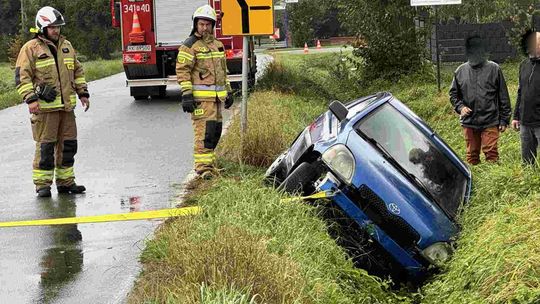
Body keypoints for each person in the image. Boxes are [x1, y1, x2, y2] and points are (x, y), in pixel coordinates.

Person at [15, 6, 90, 197]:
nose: (56, 30)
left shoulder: (67, 46)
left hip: (66, 109)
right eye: (52, 27)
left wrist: (83, 93)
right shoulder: (30, 49)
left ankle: (66, 183)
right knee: (46, 148)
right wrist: (30, 99)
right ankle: (43, 185)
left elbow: (77, 71)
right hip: (45, 110)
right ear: (42, 28)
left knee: (68, 145)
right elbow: (22, 77)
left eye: (58, 27)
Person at [176, 5, 233, 179]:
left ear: (212, 26)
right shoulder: (189, 46)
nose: (204, 28)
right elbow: (182, 71)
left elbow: (223, 72)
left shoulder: (218, 45)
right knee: (204, 134)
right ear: (195, 24)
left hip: (216, 100)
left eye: (208, 25)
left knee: (215, 132)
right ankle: (203, 169)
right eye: (201, 24)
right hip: (201, 101)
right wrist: (186, 94)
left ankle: (209, 164)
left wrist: (229, 92)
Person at [449, 35, 512, 165]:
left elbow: (503, 96)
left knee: (491, 152)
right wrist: (460, 107)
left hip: (490, 120)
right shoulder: (460, 71)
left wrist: (504, 119)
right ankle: (474, 180)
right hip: (469, 121)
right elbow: (453, 94)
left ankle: (494, 180)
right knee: (472, 155)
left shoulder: (494, 69)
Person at [512, 30, 540, 165]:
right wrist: (516, 116)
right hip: (525, 121)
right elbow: (520, 92)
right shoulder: (524, 65)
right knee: (527, 161)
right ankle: (529, 181)